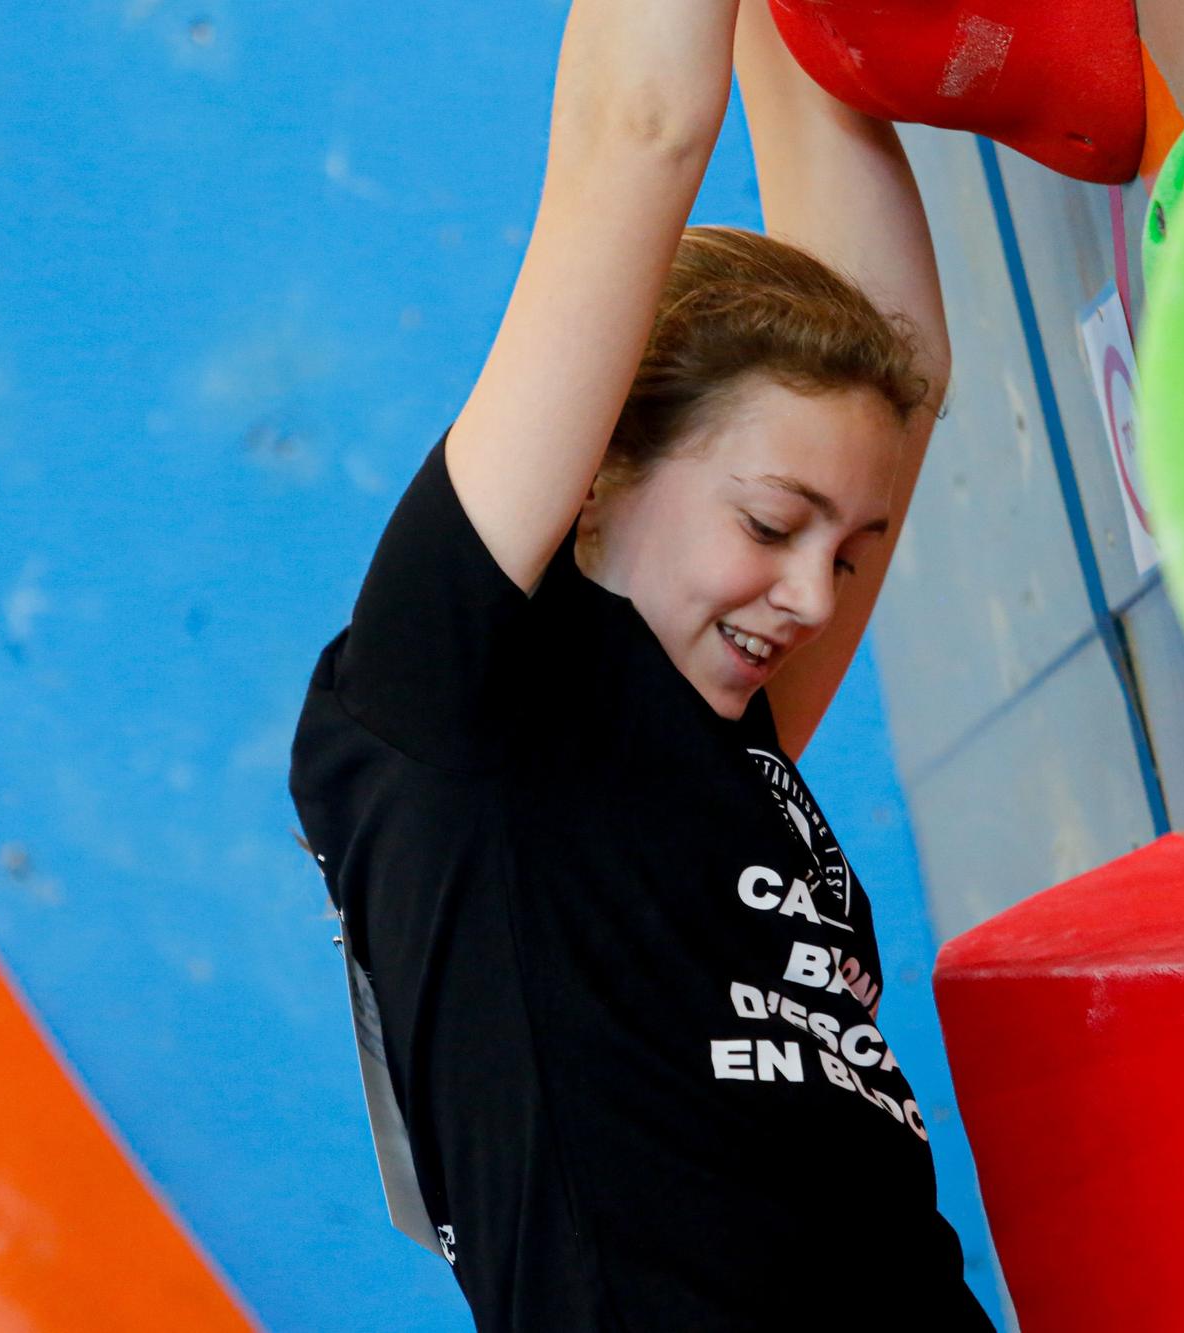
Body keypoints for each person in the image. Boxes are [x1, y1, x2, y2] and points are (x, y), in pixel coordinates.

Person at [288, 0, 995, 1328]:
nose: (810, 594)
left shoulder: (713, 735)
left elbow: (899, 348)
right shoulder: (458, 711)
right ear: (599, 479)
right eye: (773, 525)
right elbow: (641, 128)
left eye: (849, 553)